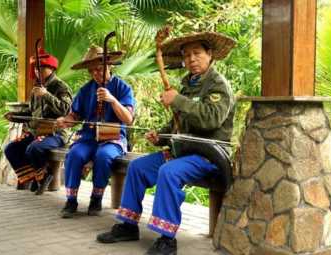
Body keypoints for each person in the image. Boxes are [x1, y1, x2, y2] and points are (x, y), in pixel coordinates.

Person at [96, 31, 236, 255]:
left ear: (210, 54)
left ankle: (167, 240)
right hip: (183, 151)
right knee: (138, 167)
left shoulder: (218, 85)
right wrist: (160, 136)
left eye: (197, 53)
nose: (191, 59)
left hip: (208, 155)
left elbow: (211, 119)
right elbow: (177, 122)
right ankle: (128, 226)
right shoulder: (188, 84)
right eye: (187, 55)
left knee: (168, 172)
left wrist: (177, 99)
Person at [56, 46, 135, 218]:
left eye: (99, 69)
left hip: (112, 136)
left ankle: (96, 198)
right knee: (75, 154)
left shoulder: (123, 88)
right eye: (91, 71)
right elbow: (75, 115)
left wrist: (112, 100)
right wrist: (65, 121)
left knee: (104, 156)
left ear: (109, 66)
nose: (96, 74)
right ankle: (71, 201)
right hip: (89, 136)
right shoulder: (86, 90)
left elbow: (128, 119)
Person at [4, 48, 73, 195]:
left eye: (42, 68)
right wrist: (14, 116)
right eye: (36, 68)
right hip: (36, 131)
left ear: (51, 68)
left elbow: (66, 111)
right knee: (11, 148)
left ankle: (43, 176)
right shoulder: (36, 88)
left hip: (55, 133)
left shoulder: (61, 87)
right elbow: (31, 112)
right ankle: (38, 178)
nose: (38, 71)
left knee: (33, 148)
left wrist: (47, 95)